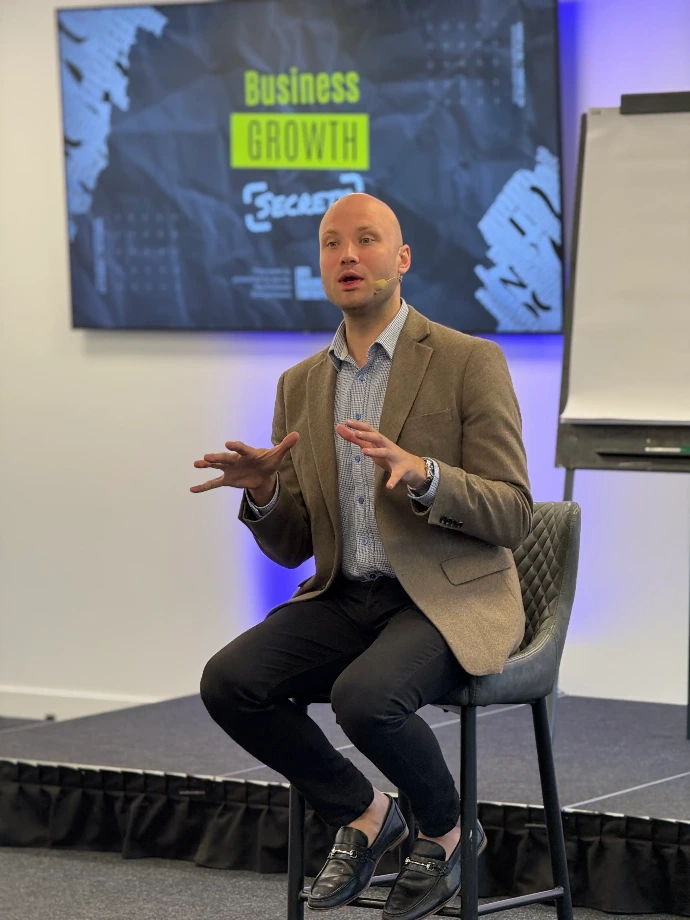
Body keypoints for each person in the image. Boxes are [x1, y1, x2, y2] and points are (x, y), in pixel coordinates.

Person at [193, 193, 532, 919]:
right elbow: (292, 547)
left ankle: (447, 830)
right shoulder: (300, 384)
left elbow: (512, 511)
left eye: (367, 240)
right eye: (331, 243)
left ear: (401, 258)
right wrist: (263, 494)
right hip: (347, 595)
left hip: (446, 595)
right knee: (230, 682)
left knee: (365, 699)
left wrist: (427, 476)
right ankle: (366, 812)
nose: (348, 255)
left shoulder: (470, 361)